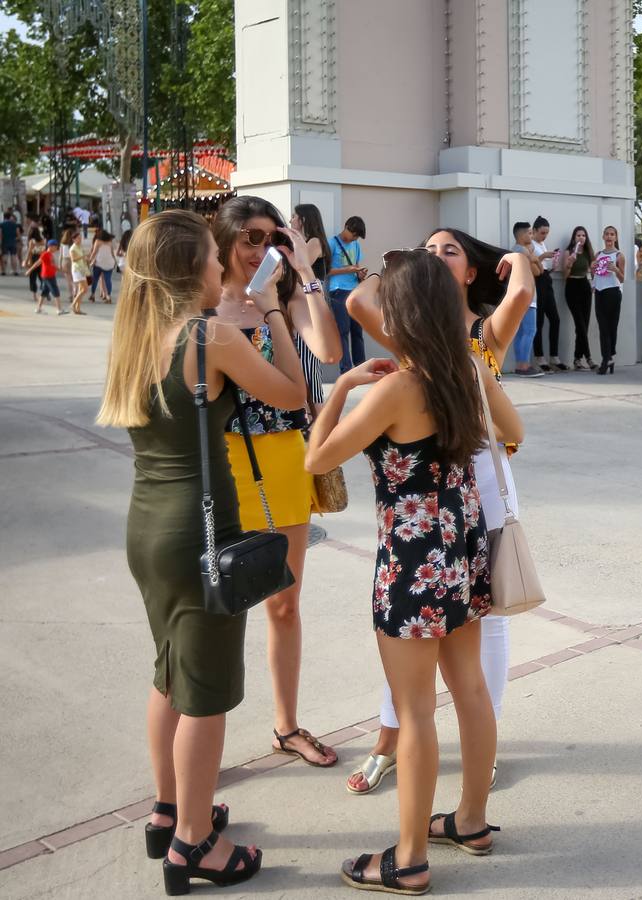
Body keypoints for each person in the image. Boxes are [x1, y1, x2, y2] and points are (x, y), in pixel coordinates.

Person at [96, 209, 309, 894]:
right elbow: (292, 393)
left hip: (147, 527)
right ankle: (194, 844)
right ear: (196, 270)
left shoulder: (134, 336)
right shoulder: (209, 335)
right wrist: (274, 309)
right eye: (218, 260)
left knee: (170, 674)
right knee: (205, 696)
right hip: (201, 532)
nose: (226, 268)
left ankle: (170, 809)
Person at [307, 251, 523, 896]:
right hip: (462, 550)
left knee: (414, 711)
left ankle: (408, 858)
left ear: (400, 315)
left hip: (410, 562)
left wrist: (343, 388)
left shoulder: (395, 389)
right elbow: (513, 433)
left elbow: (316, 458)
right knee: (471, 693)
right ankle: (472, 822)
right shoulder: (467, 368)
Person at [344, 227, 535, 797]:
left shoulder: (480, 334)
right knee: (411, 625)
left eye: (449, 251)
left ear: (471, 271)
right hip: (424, 496)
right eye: (426, 250)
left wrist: (516, 256)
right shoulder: (410, 334)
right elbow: (357, 302)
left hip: (484, 487)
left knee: (485, 623)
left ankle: (484, 748)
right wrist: (400, 265)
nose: (435, 257)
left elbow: (521, 292)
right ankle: (389, 740)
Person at [210, 196, 344, 767]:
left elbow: (331, 352)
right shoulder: (204, 305)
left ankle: (286, 725)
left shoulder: (281, 299)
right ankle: (199, 740)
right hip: (225, 464)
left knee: (284, 605)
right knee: (217, 610)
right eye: (249, 238)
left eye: (270, 239)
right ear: (223, 241)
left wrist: (307, 273)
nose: (259, 250)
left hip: (287, 460)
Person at [327, 216, 368, 373]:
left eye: (357, 236)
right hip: (338, 291)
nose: (355, 238)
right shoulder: (331, 243)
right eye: (354, 235)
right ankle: (346, 369)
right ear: (346, 227)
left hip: (354, 289)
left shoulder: (355, 244)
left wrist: (360, 274)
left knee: (357, 330)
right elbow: (326, 271)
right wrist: (347, 270)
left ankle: (361, 366)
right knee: (343, 330)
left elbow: (356, 266)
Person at [530, 216, 566, 372]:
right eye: (542, 232)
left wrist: (553, 262)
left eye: (547, 233)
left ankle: (554, 356)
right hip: (536, 280)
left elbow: (543, 264)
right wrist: (544, 256)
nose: (545, 236)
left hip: (546, 278)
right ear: (535, 231)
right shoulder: (530, 244)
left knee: (555, 319)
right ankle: (539, 357)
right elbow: (530, 262)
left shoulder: (542, 244)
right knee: (538, 321)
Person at [509, 221, 544, 377]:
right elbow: (537, 269)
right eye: (529, 233)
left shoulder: (518, 251)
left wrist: (535, 259)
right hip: (527, 297)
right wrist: (535, 258)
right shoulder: (521, 251)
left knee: (522, 331)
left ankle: (520, 364)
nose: (531, 235)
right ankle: (524, 366)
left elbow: (537, 270)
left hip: (521, 296)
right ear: (522, 234)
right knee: (529, 330)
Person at [591, 225, 626, 375]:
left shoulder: (619, 255)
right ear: (603, 237)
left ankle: (609, 356)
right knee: (602, 327)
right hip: (599, 292)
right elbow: (595, 274)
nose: (609, 237)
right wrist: (592, 269)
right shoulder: (598, 254)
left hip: (613, 292)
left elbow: (622, 278)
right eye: (607, 234)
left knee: (611, 327)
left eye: (612, 234)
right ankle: (607, 358)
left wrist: (616, 269)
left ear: (616, 238)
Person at [560, 226, 596, 370]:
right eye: (578, 235)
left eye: (583, 235)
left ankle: (577, 359)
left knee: (584, 326)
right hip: (572, 286)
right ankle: (589, 358)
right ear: (574, 238)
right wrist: (569, 263)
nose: (581, 238)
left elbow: (593, 270)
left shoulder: (588, 252)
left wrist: (594, 283)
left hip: (584, 286)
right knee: (580, 324)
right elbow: (565, 275)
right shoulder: (569, 252)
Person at [31, 238, 62, 314]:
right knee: (55, 291)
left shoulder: (50, 254)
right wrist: (30, 270)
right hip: (48, 275)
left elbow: (52, 265)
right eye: (55, 246)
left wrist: (59, 269)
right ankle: (59, 309)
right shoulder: (45, 254)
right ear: (50, 246)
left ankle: (38, 308)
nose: (56, 248)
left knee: (45, 292)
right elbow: (38, 263)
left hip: (49, 275)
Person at [90, 229, 117, 302]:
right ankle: (108, 296)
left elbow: (94, 253)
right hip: (109, 263)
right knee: (108, 280)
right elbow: (112, 253)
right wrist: (115, 261)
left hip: (99, 263)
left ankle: (92, 295)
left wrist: (90, 260)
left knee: (95, 279)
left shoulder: (98, 241)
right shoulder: (110, 242)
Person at [68, 230, 91, 315]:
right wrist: (82, 256)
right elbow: (73, 259)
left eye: (80, 238)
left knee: (82, 289)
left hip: (82, 269)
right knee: (84, 289)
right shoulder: (72, 248)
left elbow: (83, 257)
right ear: (73, 239)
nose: (80, 239)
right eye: (78, 238)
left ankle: (77, 308)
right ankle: (74, 304)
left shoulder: (80, 246)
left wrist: (87, 259)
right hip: (77, 269)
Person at [1, 210, 19, 275]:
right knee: (13, 256)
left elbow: (0, 234)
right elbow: (18, 233)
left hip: (4, 242)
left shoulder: (2, 224)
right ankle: (15, 271)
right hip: (13, 242)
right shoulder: (14, 224)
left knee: (4, 256)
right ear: (10, 217)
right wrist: (16, 239)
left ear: (4, 217)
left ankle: (3, 271)